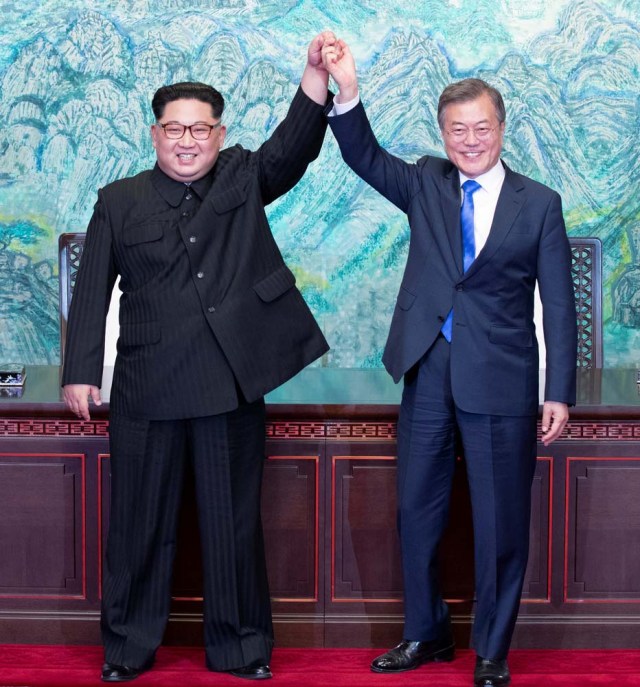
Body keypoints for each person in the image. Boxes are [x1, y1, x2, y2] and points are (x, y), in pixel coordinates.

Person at [62, 32, 337, 683]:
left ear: (218, 134)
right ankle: (127, 647)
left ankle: (242, 646)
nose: (187, 141)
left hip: (228, 387)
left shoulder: (243, 176)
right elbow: (94, 285)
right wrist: (79, 370)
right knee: (137, 526)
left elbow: (293, 147)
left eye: (201, 130)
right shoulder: (118, 199)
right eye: (174, 129)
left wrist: (313, 75)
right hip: (146, 390)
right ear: (155, 134)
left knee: (232, 526)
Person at [322, 40, 576, 687]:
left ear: (501, 129)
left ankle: (492, 648)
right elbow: (362, 154)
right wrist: (345, 89)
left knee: (499, 522)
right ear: (443, 133)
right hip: (429, 369)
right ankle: (426, 633)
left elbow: (559, 304)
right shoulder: (427, 183)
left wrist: (559, 390)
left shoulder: (539, 202)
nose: (470, 140)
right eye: (457, 129)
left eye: (481, 128)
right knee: (416, 510)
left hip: (503, 378)